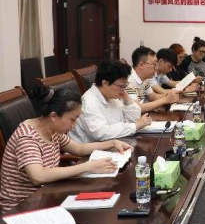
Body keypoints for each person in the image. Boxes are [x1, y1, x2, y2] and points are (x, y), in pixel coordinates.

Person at [0, 87, 131, 214]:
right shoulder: (27, 137)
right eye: (72, 120)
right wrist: (88, 166)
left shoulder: (53, 130)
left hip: (45, 195)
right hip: (21, 207)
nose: (74, 125)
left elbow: (79, 148)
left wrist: (112, 143)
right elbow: (38, 176)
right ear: (53, 116)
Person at [69, 61, 152, 143]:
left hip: (115, 143)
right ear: (105, 83)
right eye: (121, 86)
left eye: (125, 86)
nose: (123, 90)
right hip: (92, 150)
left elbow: (132, 121)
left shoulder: (111, 96)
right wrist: (135, 126)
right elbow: (101, 134)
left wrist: (127, 100)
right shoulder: (89, 102)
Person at [126, 46, 179, 113]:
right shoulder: (128, 81)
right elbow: (137, 108)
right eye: (154, 64)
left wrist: (169, 96)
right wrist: (165, 99)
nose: (156, 68)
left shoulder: (145, 79)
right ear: (141, 65)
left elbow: (152, 96)